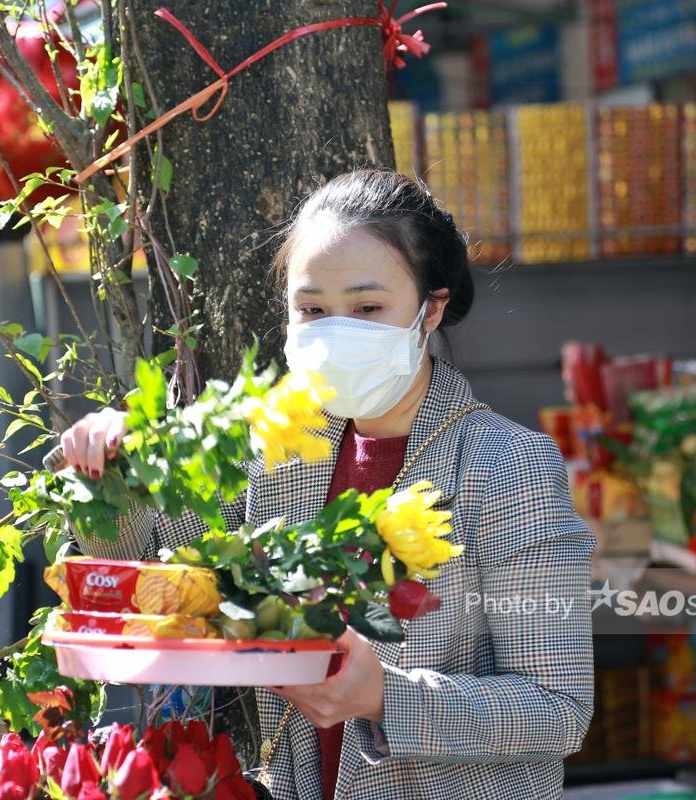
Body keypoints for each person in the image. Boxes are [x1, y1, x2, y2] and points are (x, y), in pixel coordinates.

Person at [59, 169, 595, 799]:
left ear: (432, 308)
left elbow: (558, 710)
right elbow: (151, 583)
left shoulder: (506, 467)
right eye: (312, 310)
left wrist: (384, 696)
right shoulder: (278, 450)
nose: (338, 331)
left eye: (368, 309)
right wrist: (116, 473)